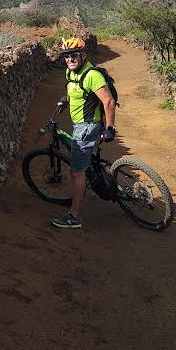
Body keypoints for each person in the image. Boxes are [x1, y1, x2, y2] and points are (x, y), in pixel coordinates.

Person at [51, 37, 117, 229]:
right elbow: (74, 92)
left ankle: (74, 217)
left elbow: (108, 102)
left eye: (73, 55)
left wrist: (110, 128)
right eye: (66, 56)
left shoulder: (91, 75)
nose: (70, 59)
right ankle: (99, 177)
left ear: (83, 55)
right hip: (79, 124)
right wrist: (65, 100)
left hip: (88, 127)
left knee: (77, 172)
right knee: (88, 163)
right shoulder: (71, 73)